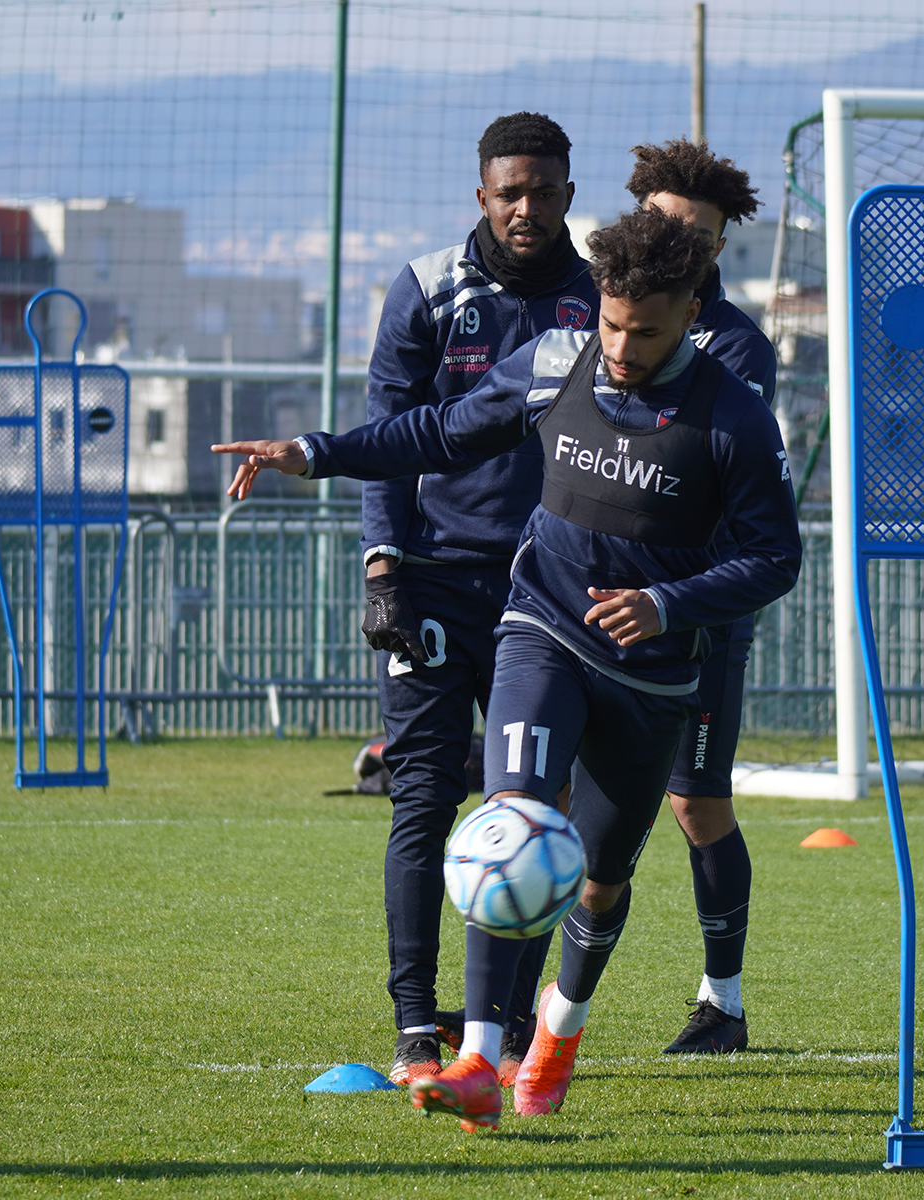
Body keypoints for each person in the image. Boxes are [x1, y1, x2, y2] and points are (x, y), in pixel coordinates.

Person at [214, 208, 802, 1132]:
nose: (618, 346)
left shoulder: (733, 419)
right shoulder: (554, 360)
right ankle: (482, 1058)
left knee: (600, 877)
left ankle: (557, 1035)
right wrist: (319, 453)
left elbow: (775, 560)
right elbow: (440, 433)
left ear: (691, 312)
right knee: (513, 821)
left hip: (649, 676)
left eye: (643, 331)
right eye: (608, 323)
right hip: (541, 624)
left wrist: (666, 605)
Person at [353, 111, 599, 1086]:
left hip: (548, 599)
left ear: (568, 195)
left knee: (533, 812)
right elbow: (390, 434)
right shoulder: (424, 289)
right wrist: (382, 569)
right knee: (419, 797)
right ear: (482, 196)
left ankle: (490, 1030)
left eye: (543, 191)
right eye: (510, 193)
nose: (527, 208)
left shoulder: (598, 302)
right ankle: (418, 1025)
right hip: (432, 586)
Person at [625, 139, 777, 1054]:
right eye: (670, 223)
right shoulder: (597, 312)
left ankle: (723, 1004)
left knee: (696, 802)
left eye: (705, 236)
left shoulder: (735, 345)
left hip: (697, 610)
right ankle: (514, 1008)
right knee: (552, 796)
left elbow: (688, 458)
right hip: (587, 601)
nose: (685, 242)